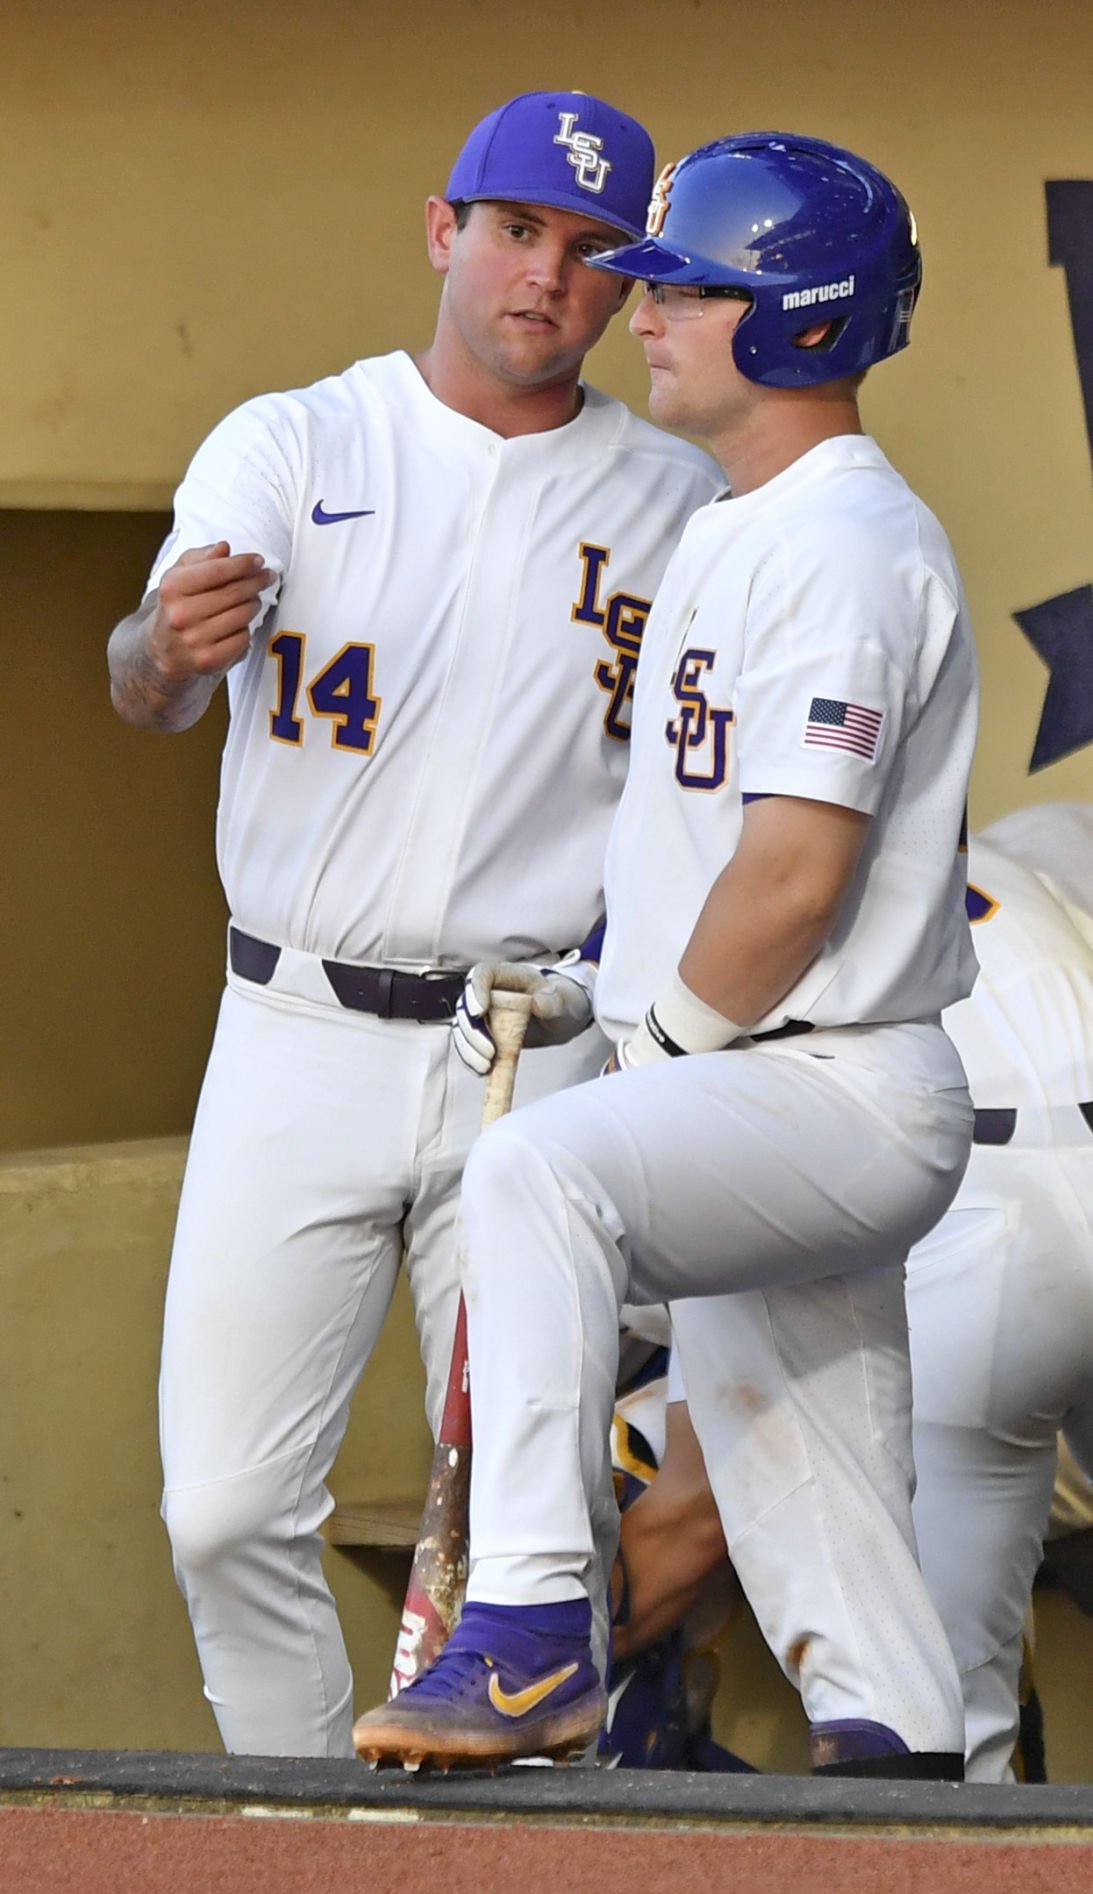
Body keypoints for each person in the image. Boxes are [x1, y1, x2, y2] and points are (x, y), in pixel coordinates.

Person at [352, 130, 980, 1777]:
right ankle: (907, 1767)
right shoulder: (740, 520)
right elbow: (701, 852)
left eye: (687, 288)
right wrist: (604, 987)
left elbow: (786, 882)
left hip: (823, 1081)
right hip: (772, 1075)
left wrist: (643, 1064)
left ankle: (526, 1636)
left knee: (542, 1175)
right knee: (823, 1511)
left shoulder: (844, 545)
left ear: (801, 325)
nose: (639, 312)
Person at [105, 89, 723, 1759]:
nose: (548, 276)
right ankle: (313, 1825)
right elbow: (144, 686)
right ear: (443, 232)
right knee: (227, 1505)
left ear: (625, 289)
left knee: (535, 1536)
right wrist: (163, 647)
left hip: (532, 1052)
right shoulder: (297, 439)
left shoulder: (679, 500)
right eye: (518, 229)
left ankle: (527, 1852)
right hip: (295, 1027)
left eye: (594, 253)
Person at [907, 811, 1093, 1781]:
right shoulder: (1042, 837)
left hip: (979, 1217)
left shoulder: (762, 889)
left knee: (955, 1713)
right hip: (1032, 1182)